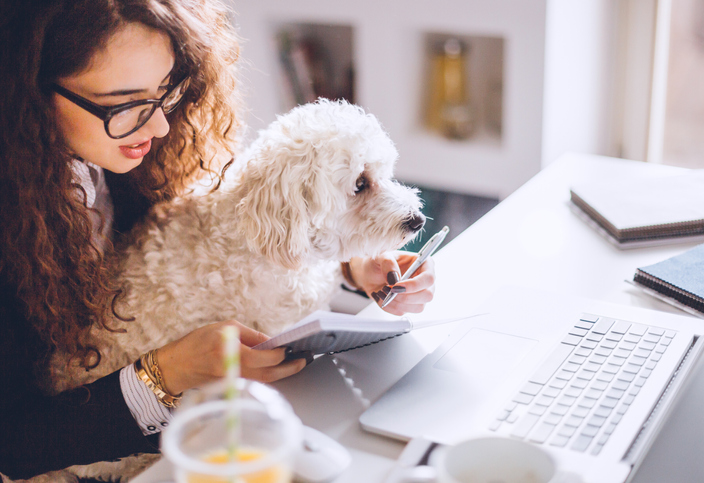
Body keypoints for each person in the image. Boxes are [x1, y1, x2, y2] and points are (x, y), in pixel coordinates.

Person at [0, 0, 436, 479]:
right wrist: (164, 373)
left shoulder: (146, 150)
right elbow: (15, 440)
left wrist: (351, 264)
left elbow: (247, 235)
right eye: (125, 104)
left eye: (164, 91)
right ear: (30, 93)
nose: (161, 126)